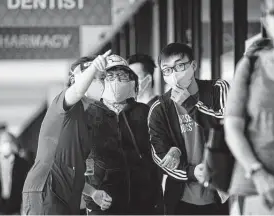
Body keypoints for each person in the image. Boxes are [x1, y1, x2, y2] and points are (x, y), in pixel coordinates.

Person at [22, 50, 111, 215]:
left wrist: (92, 192)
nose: (101, 83)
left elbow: (71, 170)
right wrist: (92, 69)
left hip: (68, 194)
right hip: (45, 190)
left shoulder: (86, 119)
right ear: (74, 79)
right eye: (96, 78)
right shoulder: (62, 106)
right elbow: (77, 91)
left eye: (103, 79)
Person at [148, 43, 229, 215]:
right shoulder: (159, 108)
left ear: (193, 65)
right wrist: (191, 172)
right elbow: (158, 154)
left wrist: (189, 104)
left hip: (221, 190)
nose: (174, 73)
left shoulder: (218, 89)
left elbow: (225, 127)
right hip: (180, 198)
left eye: (180, 65)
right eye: (167, 70)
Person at [224, 0, 274, 214]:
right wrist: (258, 173)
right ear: (265, 21)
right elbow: (232, 127)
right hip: (252, 186)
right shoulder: (250, 66)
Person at [82, 54, 156, 215]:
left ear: (131, 81)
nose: (116, 80)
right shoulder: (89, 115)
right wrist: (91, 195)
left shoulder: (144, 112)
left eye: (121, 75)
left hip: (143, 205)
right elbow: (74, 163)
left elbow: (157, 154)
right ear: (101, 81)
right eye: (110, 76)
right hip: (103, 205)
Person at [127, 54, 164, 214]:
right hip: (134, 193)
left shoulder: (161, 110)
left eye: (133, 77)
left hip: (156, 191)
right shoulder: (127, 112)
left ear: (147, 80)